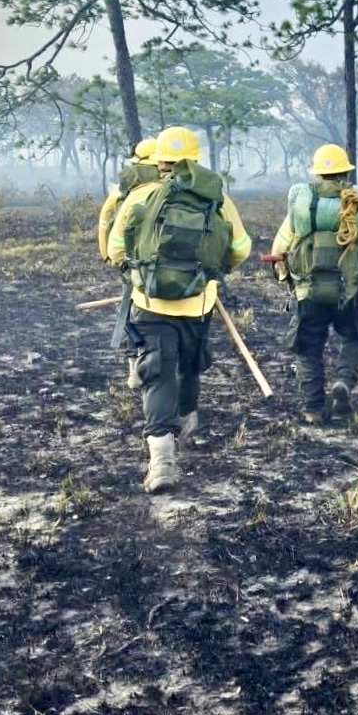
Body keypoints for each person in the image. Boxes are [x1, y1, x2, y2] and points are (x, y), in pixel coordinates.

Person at [108, 126, 252, 494]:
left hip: (150, 303)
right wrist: (212, 274)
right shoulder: (216, 198)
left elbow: (114, 250)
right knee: (189, 367)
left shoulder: (141, 194)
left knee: (156, 375)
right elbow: (241, 247)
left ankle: (161, 463)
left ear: (159, 161)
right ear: (195, 159)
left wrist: (137, 274)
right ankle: (188, 428)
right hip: (197, 302)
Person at [271, 144, 358, 423]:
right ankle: (343, 381)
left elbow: (280, 246)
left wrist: (288, 279)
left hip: (309, 290)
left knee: (307, 345)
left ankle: (313, 409)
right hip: (349, 290)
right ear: (345, 172)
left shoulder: (303, 204)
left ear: (318, 174)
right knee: (356, 335)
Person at [97, 138, 161, 389]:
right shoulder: (174, 191)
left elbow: (106, 227)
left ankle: (134, 367)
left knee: (130, 315)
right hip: (172, 269)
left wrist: (116, 262)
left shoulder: (125, 194)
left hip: (133, 265)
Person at [95, 139, 159, 259]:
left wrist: (107, 256)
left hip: (133, 261)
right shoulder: (170, 188)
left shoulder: (122, 191)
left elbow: (105, 217)